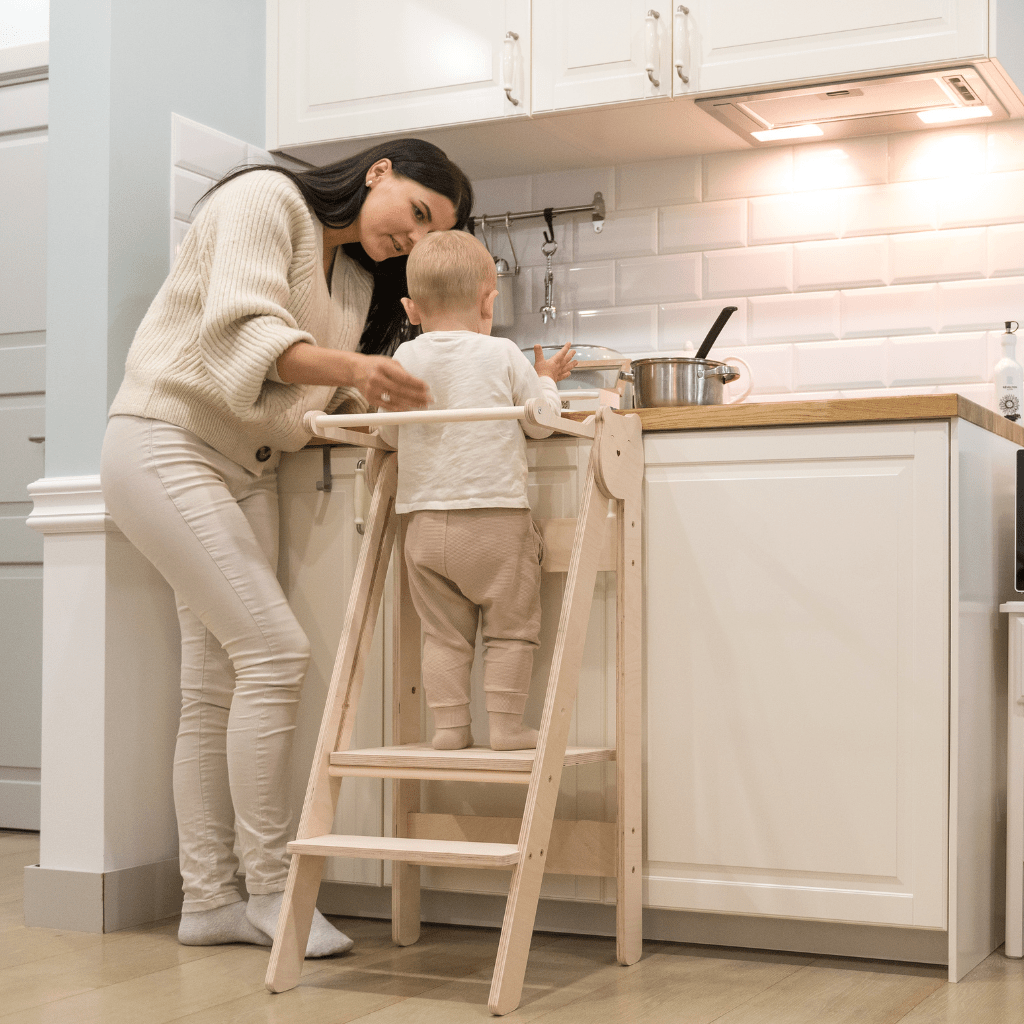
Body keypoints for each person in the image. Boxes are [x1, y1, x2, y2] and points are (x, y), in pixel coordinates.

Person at [99, 139, 472, 954]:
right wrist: (357, 372)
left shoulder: (350, 277)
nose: (411, 239)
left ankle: (209, 902)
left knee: (216, 684)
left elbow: (318, 390)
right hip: (167, 442)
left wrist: (383, 393)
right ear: (380, 172)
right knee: (274, 656)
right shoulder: (266, 200)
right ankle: (272, 891)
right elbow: (243, 337)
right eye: (415, 212)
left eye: (429, 232)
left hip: (245, 466)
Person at [376, 231, 575, 751]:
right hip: (494, 523)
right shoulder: (503, 353)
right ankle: (506, 727)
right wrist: (546, 379)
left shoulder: (404, 358)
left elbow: (389, 434)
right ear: (490, 300)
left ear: (410, 308)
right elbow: (540, 424)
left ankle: (450, 728)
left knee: (443, 634)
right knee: (510, 630)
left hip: (423, 526)